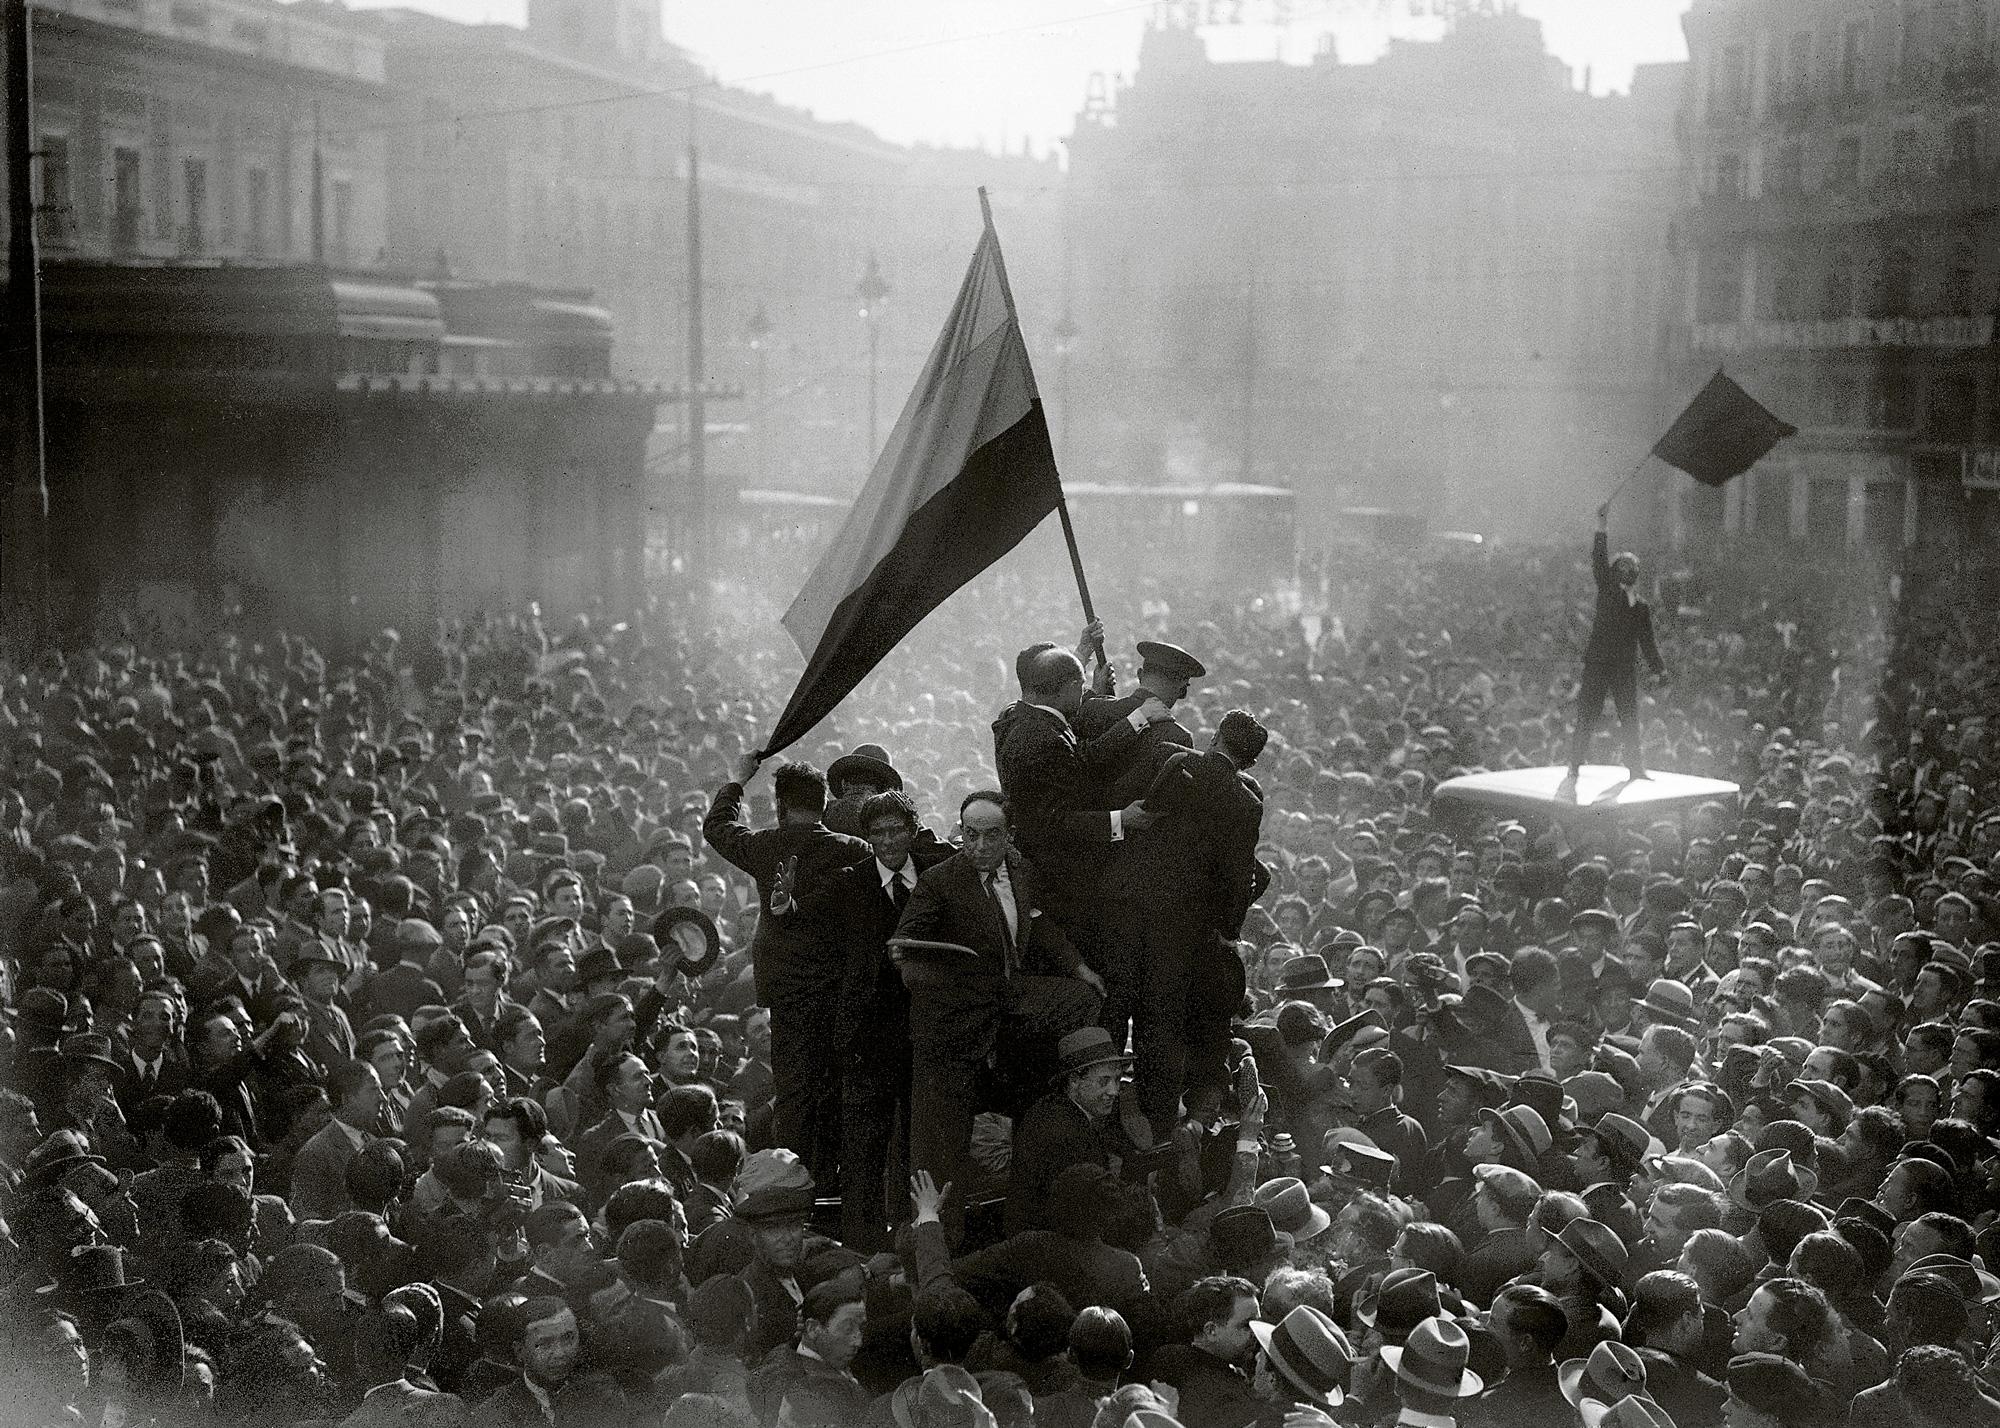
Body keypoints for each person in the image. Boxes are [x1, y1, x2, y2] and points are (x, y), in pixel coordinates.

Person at [895, 791, 1104, 1230]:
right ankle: (934, 1241)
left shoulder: (1021, 872)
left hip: (1008, 1011)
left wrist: (1078, 966)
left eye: (992, 836)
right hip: (954, 1027)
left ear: (1009, 836)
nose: (980, 846)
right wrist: (956, 979)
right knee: (941, 1152)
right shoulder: (939, 882)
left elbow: (1038, 921)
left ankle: (1027, 1228)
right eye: (971, 835)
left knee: (1081, 1001)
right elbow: (905, 948)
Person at [704, 755, 870, 1187]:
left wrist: (737, 782)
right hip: (841, 991)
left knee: (795, 1091)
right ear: (824, 803)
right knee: (838, 1082)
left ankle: (797, 1179)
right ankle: (837, 1178)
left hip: (789, 994)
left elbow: (717, 828)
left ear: (780, 806)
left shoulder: (765, 846)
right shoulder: (853, 850)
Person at [1567, 502, 1666, 780]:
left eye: (1629, 568)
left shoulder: (1641, 606)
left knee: (1629, 717)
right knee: (1588, 712)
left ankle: (1635, 767)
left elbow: (1648, 641)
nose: (1625, 571)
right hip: (1599, 663)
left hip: (1623, 666)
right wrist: (1601, 526)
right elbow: (1598, 558)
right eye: (1620, 567)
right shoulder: (1607, 590)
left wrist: (1660, 669)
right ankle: (1575, 762)